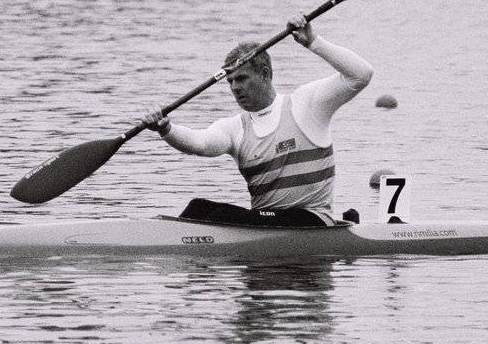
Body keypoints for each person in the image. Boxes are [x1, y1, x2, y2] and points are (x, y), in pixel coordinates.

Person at [140, 13, 373, 226]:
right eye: (230, 81)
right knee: (198, 207)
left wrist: (313, 42)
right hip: (264, 226)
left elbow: (361, 74)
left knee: (220, 216)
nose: (234, 87)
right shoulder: (235, 128)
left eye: (241, 78)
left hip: (312, 221)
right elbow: (200, 144)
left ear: (264, 74)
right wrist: (167, 129)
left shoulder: (306, 105)